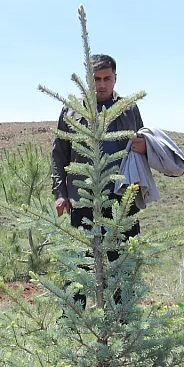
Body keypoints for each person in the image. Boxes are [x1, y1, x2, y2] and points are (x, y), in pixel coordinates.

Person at [50, 54, 148, 306]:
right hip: (82, 199)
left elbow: (141, 148)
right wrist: (60, 193)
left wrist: (144, 147)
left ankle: (123, 321)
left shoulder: (129, 109)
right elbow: (58, 154)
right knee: (78, 264)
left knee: (122, 264)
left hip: (121, 201)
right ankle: (73, 320)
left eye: (107, 79)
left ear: (115, 78)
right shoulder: (71, 111)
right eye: (95, 79)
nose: (101, 85)